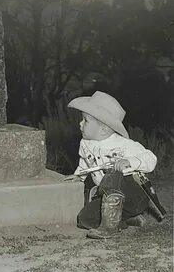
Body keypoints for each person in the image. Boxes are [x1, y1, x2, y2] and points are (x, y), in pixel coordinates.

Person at [66, 91, 160, 239]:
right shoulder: (85, 144)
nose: (80, 123)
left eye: (85, 120)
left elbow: (151, 158)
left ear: (103, 129)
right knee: (84, 219)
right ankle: (124, 220)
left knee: (112, 175)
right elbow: (85, 165)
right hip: (108, 201)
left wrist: (129, 162)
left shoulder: (123, 145)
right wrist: (78, 177)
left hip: (134, 196)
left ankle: (109, 226)